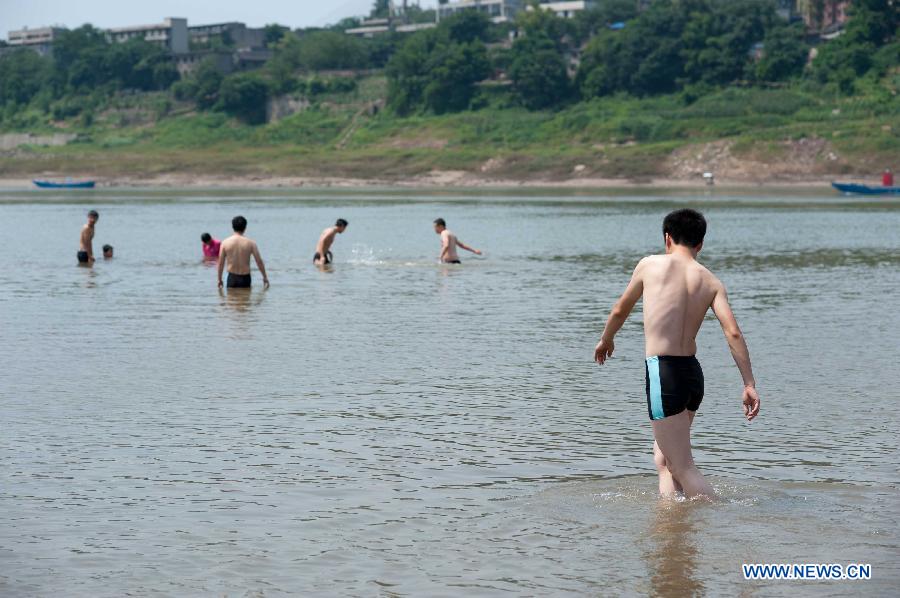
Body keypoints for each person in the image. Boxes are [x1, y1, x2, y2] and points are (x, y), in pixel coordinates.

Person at [593, 208, 759, 499]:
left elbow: (621, 308)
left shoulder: (650, 265)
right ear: (700, 244)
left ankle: (720, 515)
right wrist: (749, 384)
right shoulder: (710, 281)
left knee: (682, 466)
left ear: (667, 238)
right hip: (692, 375)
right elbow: (732, 331)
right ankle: (672, 524)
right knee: (665, 459)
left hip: (663, 371)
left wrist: (606, 339)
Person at [217, 215, 269, 290]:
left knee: (231, 300)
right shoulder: (251, 243)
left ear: (232, 227)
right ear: (245, 227)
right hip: (245, 278)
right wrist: (265, 277)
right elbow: (259, 261)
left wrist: (219, 279)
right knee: (245, 300)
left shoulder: (225, 243)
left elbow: (221, 263)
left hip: (232, 277)